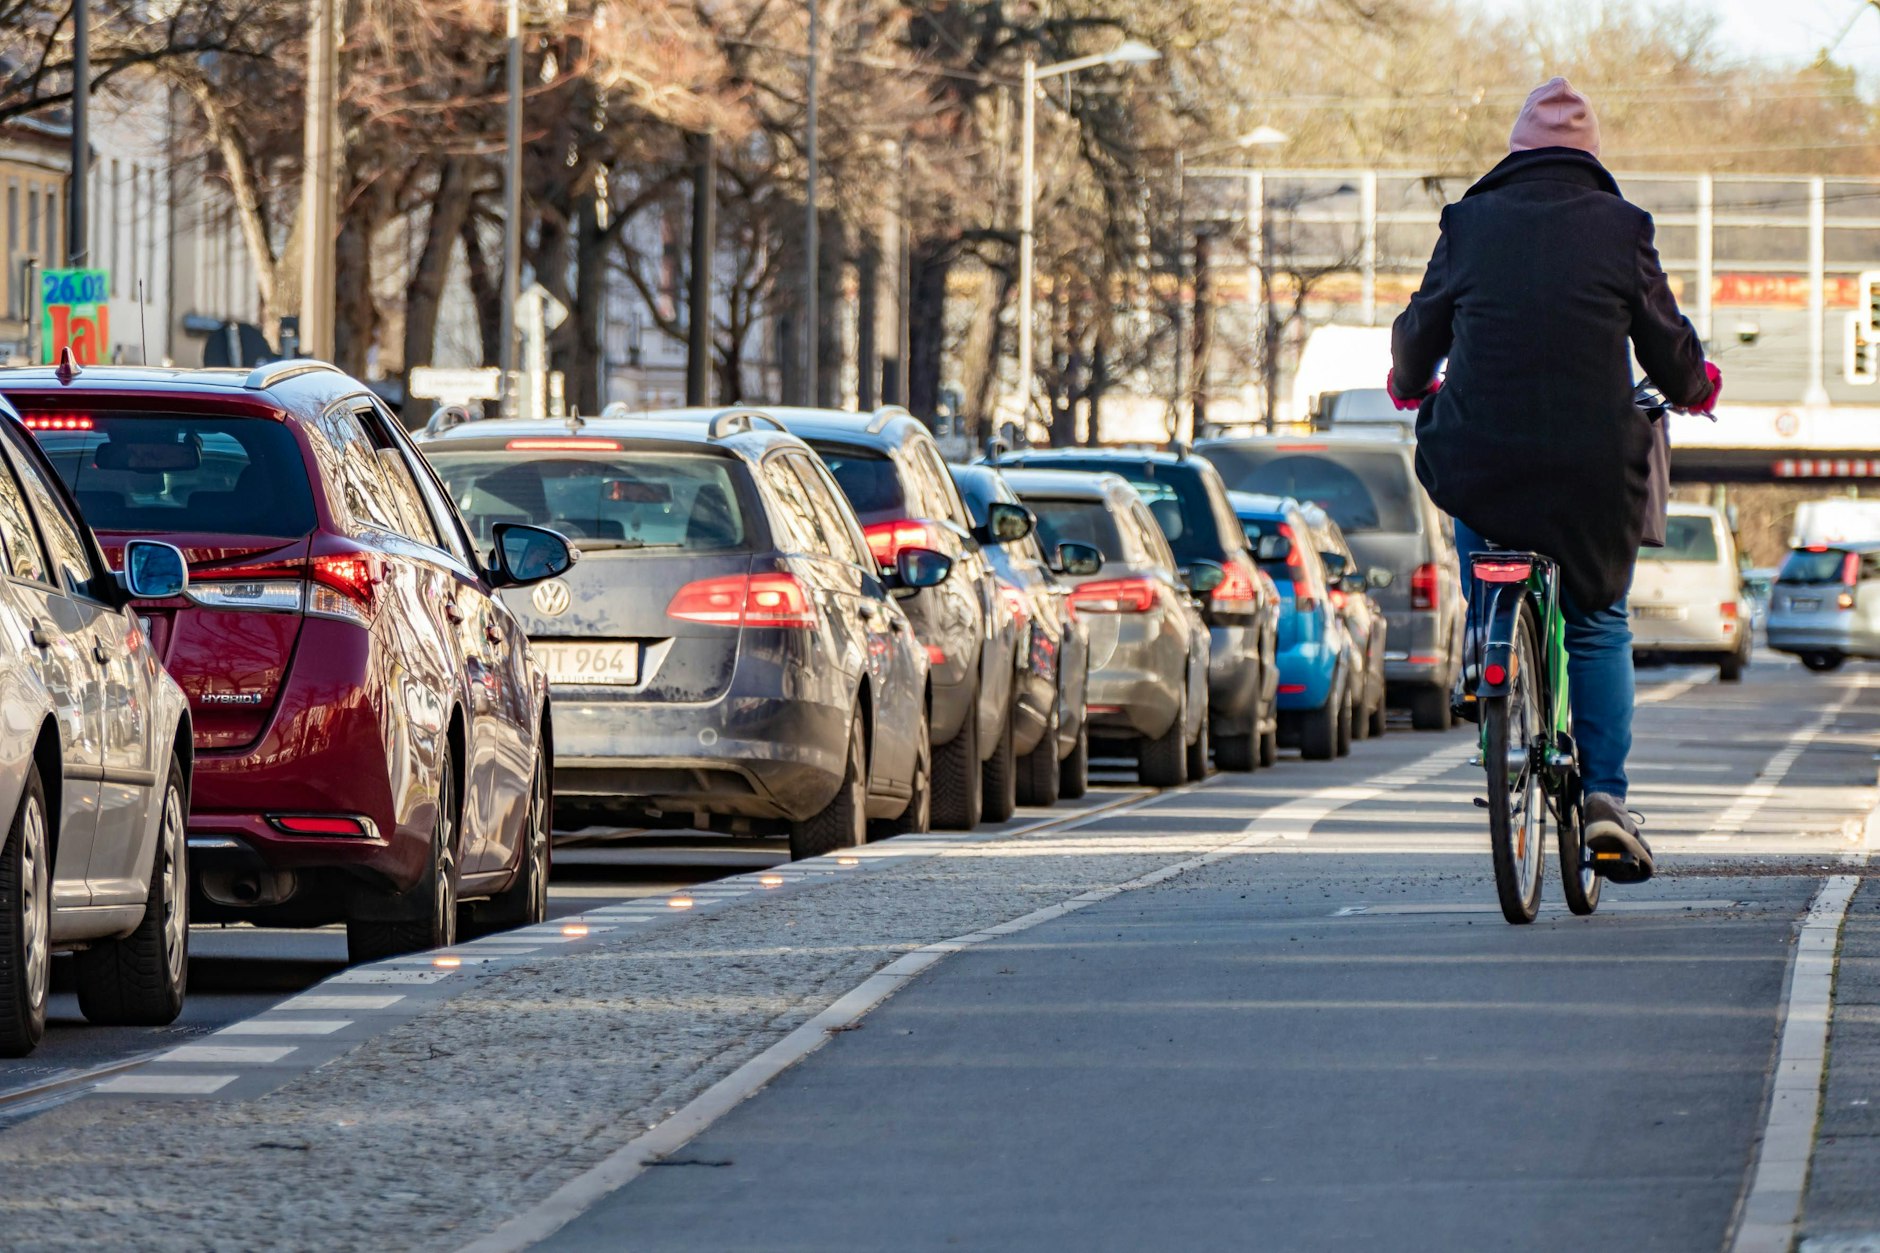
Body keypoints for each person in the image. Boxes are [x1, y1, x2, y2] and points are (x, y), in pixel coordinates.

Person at [1387, 78, 1720, 884]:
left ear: (1515, 152)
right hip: (1590, 468)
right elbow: (1666, 343)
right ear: (1590, 157)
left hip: (1484, 456)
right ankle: (1606, 796)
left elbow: (1419, 331)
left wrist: (1410, 383)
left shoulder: (1467, 223)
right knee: (1600, 619)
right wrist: (1695, 385)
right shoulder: (1622, 228)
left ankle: (1486, 643)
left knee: (1475, 512)